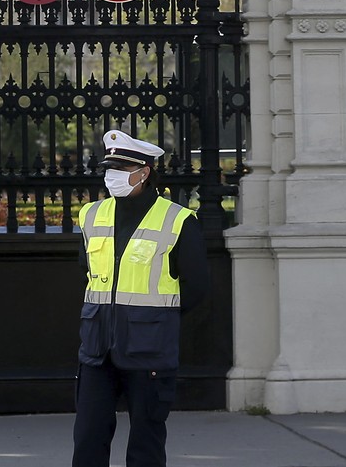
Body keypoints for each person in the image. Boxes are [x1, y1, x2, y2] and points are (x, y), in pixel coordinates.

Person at [72, 129, 208, 467]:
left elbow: (197, 286)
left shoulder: (177, 220)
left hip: (149, 349)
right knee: (88, 437)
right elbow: (86, 270)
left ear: (143, 172)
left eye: (120, 169)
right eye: (109, 169)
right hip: (97, 349)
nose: (111, 176)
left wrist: (156, 319)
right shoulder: (92, 214)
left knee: (146, 441)